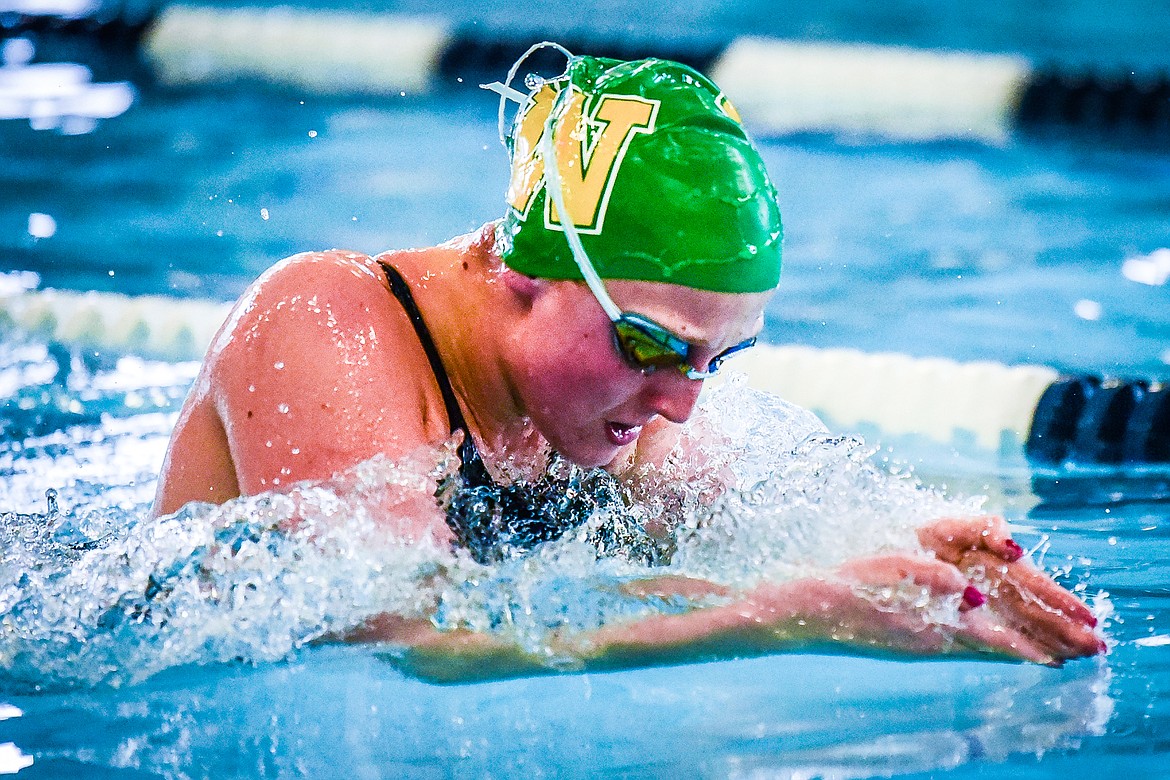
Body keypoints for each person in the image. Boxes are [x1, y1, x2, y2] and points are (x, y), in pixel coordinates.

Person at [152, 48, 1103, 668]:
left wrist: (903, 563)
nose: (679, 405)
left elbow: (740, 545)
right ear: (531, 269)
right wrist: (779, 619)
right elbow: (406, 633)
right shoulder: (330, 325)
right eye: (651, 344)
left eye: (714, 363)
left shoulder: (621, 408)